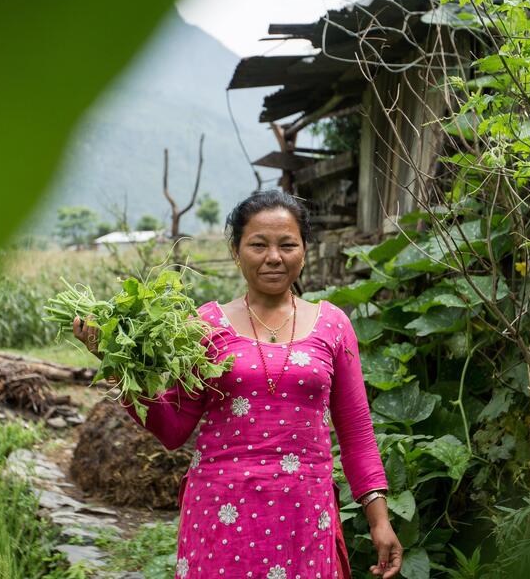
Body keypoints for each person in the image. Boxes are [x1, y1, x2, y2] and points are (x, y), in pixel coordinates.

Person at [73, 191, 402, 578]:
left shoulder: (333, 325)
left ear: (305, 250)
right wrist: (116, 364)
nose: (274, 257)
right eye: (258, 245)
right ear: (236, 250)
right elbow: (173, 427)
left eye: (287, 244)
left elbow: (357, 432)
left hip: (304, 514)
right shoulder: (204, 327)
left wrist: (380, 520)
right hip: (222, 513)